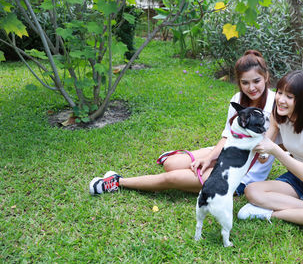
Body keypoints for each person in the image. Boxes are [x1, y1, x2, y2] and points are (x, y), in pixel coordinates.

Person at [89, 50, 278, 196]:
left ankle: (117, 182)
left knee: (171, 177)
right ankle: (180, 157)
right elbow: (228, 134)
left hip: (241, 174)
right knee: (171, 164)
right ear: (239, 82)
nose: (251, 88)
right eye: (245, 83)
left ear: (266, 77)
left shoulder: (276, 104)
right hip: (227, 150)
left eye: (256, 81)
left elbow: (275, 148)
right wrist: (210, 157)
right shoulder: (238, 98)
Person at [237, 70, 303, 235]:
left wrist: (275, 150)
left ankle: (271, 213)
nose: (280, 100)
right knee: (251, 190)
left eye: (289, 97)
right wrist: (253, 142)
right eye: (279, 93)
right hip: (295, 175)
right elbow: (264, 157)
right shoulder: (277, 115)